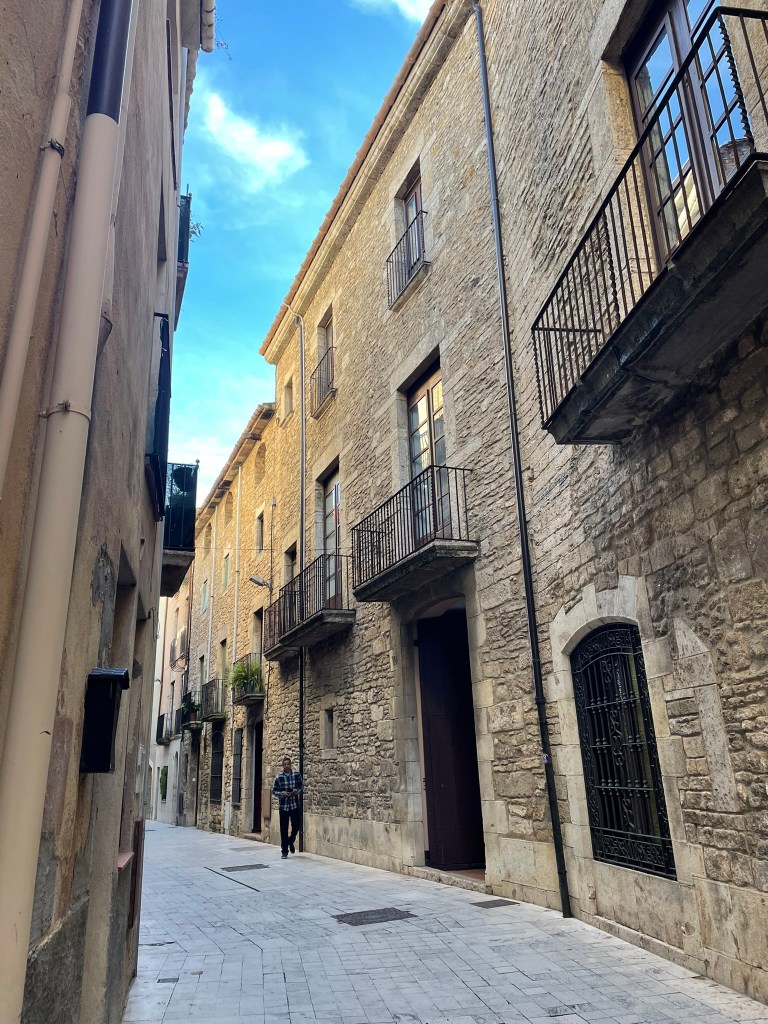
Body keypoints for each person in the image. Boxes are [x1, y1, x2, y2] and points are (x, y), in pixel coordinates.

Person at [272, 756, 302, 859]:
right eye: (284, 764)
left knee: (297, 825)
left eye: (288, 764)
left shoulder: (296, 775)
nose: (286, 766)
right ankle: (284, 851)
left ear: (290, 764)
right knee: (283, 829)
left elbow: (301, 787)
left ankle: (290, 841)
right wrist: (282, 794)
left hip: (294, 805)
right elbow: (274, 791)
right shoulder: (278, 777)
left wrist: (295, 791)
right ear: (282, 766)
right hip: (284, 806)